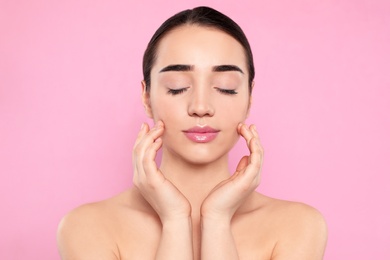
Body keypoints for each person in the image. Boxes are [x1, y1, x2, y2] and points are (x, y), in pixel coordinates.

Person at [57, 6, 327, 259]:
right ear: (147, 97)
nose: (201, 107)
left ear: (249, 98)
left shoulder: (297, 225)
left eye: (226, 87)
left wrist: (217, 219)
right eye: (177, 87)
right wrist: (175, 219)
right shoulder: (88, 227)